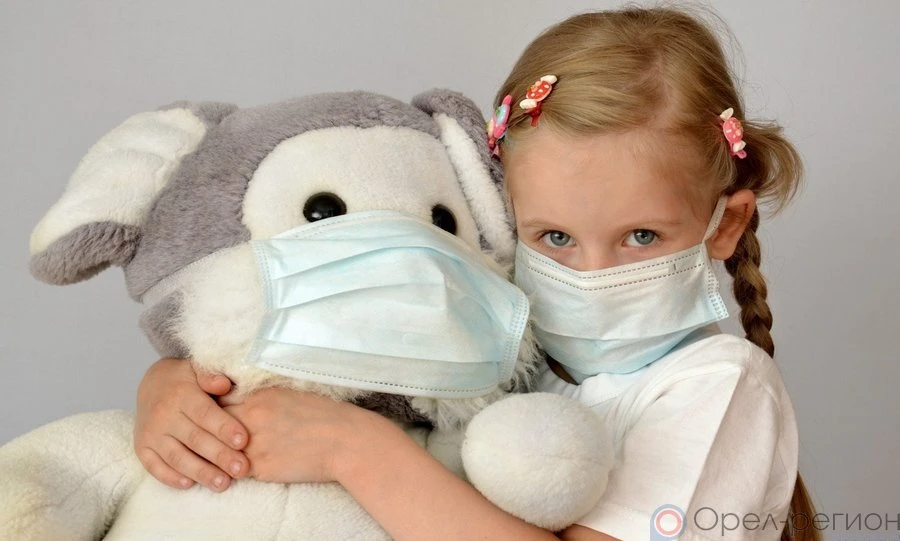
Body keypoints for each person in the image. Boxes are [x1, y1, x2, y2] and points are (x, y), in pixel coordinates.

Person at [133, 7, 818, 540]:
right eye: (554, 236)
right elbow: (325, 367)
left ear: (724, 225)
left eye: (641, 236)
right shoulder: (494, 331)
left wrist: (353, 449)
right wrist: (179, 387)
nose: (591, 272)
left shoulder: (722, 388)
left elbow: (350, 437)